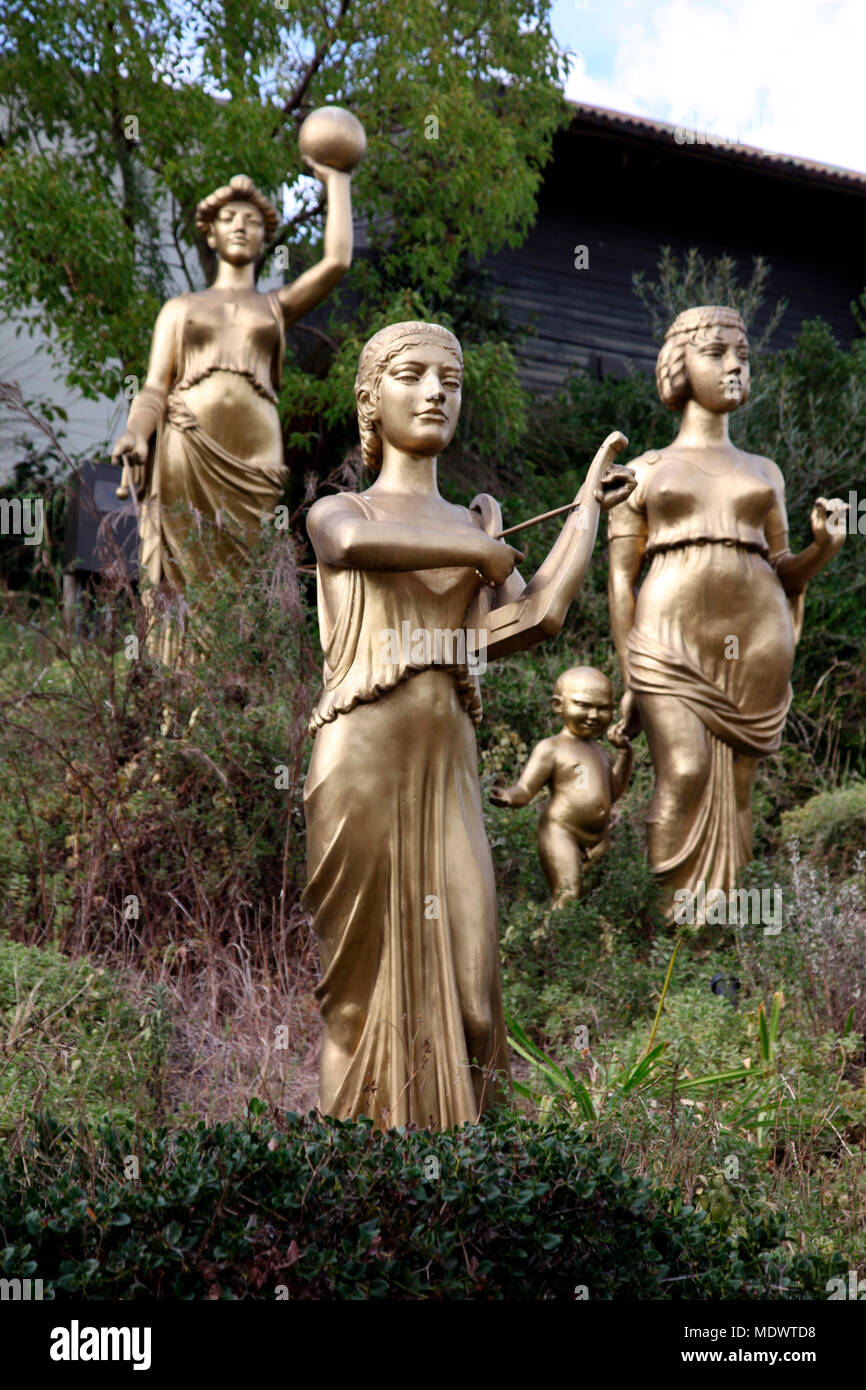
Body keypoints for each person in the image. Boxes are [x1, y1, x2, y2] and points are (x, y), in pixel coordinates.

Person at [302, 319, 634, 1129]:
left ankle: (463, 1199)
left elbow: (536, 619)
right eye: (411, 375)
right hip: (361, 764)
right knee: (353, 1006)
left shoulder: (472, 526)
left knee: (477, 1007)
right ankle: (353, 1188)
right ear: (369, 401)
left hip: (448, 767)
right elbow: (350, 542)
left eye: (449, 379)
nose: (435, 391)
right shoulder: (340, 510)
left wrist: (587, 508)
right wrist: (478, 551)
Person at [607, 305, 847, 921]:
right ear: (679, 365)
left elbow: (783, 567)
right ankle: (673, 933)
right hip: (668, 638)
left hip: (757, 639)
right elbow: (619, 578)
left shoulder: (764, 472)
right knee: (683, 772)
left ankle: (719, 945)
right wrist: (629, 669)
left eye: (743, 355)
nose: (735, 365)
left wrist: (824, 547)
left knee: (738, 790)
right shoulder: (643, 470)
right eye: (717, 354)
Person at [110, 164, 354, 608]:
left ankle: (233, 672)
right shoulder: (180, 308)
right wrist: (135, 433)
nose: (241, 226)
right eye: (229, 219)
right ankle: (175, 673)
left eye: (254, 221)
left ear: (265, 239)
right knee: (183, 572)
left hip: (254, 460)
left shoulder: (275, 307)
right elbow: (153, 388)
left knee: (239, 578)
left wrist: (337, 179)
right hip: (186, 446)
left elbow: (337, 261)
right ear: (210, 235)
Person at [490, 666, 633, 908]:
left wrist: (625, 753)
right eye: (583, 705)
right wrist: (509, 796)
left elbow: (615, 790)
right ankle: (550, 943)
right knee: (568, 893)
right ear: (558, 705)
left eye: (603, 708)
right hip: (560, 830)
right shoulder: (551, 748)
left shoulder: (601, 753)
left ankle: (570, 942)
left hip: (598, 839)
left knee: (586, 898)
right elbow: (526, 789)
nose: (593, 715)